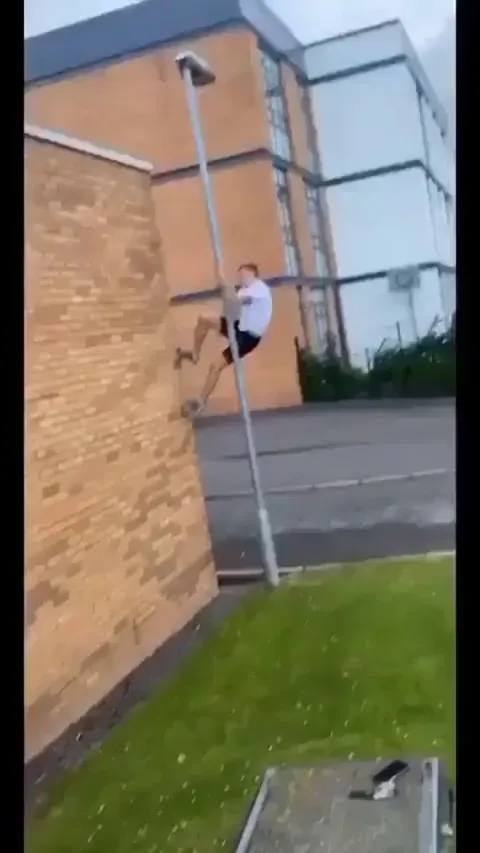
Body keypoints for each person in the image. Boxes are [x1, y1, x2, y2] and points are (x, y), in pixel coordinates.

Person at [176, 263, 273, 418]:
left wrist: (222, 282)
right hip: (239, 327)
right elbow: (232, 302)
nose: (240, 278)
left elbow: (235, 300)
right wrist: (223, 287)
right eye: (239, 276)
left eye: (243, 275)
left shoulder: (260, 289)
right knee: (204, 319)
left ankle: (201, 403)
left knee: (215, 366)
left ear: (253, 275)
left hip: (248, 338)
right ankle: (195, 354)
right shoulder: (245, 289)